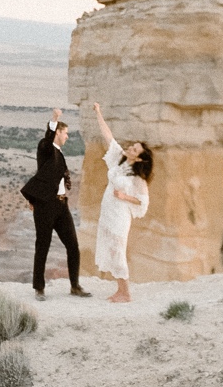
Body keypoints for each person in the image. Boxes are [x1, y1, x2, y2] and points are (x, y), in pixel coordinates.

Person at [20, 109, 90, 302]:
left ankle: (75, 286)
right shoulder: (46, 147)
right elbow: (48, 137)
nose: (67, 136)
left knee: (73, 245)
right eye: (65, 133)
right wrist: (55, 120)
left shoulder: (60, 154)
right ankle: (39, 288)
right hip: (45, 205)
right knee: (43, 246)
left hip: (61, 205)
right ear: (57, 133)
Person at [89, 102, 152, 302]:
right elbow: (108, 136)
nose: (129, 148)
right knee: (110, 247)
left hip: (120, 214)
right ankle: (120, 290)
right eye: (131, 146)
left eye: (133, 149)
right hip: (108, 210)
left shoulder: (137, 178)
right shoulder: (119, 159)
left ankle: (125, 293)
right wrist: (98, 113)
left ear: (139, 159)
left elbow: (143, 202)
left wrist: (125, 197)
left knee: (117, 249)